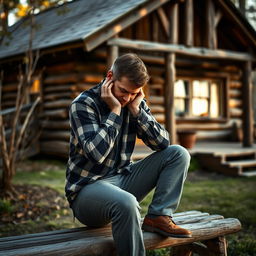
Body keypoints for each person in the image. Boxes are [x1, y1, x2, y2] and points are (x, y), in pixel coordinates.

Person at [65, 53, 192, 256]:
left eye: (134, 93)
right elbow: (96, 154)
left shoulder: (133, 102)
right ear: (109, 77)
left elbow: (162, 143)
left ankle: (158, 217)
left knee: (178, 153)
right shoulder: (83, 104)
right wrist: (114, 111)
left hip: (123, 179)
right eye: (123, 91)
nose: (126, 98)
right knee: (127, 203)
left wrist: (137, 110)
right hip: (87, 192)